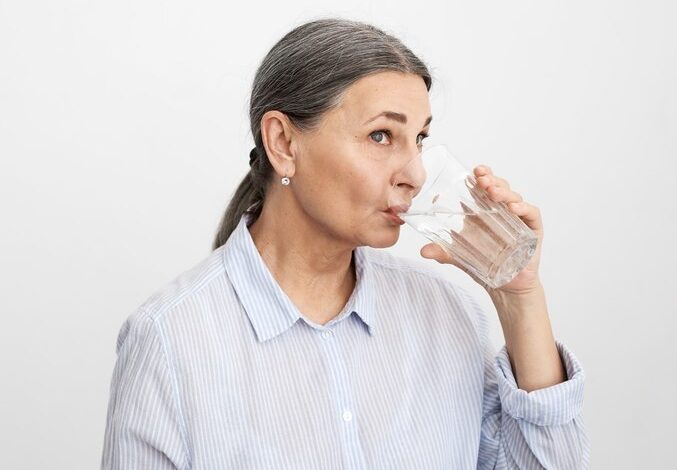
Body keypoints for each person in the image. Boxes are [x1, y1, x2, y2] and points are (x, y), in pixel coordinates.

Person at [100, 17, 590, 470]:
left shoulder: (450, 316)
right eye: (381, 135)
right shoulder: (169, 339)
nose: (415, 175)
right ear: (284, 144)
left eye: (418, 139)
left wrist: (518, 298)